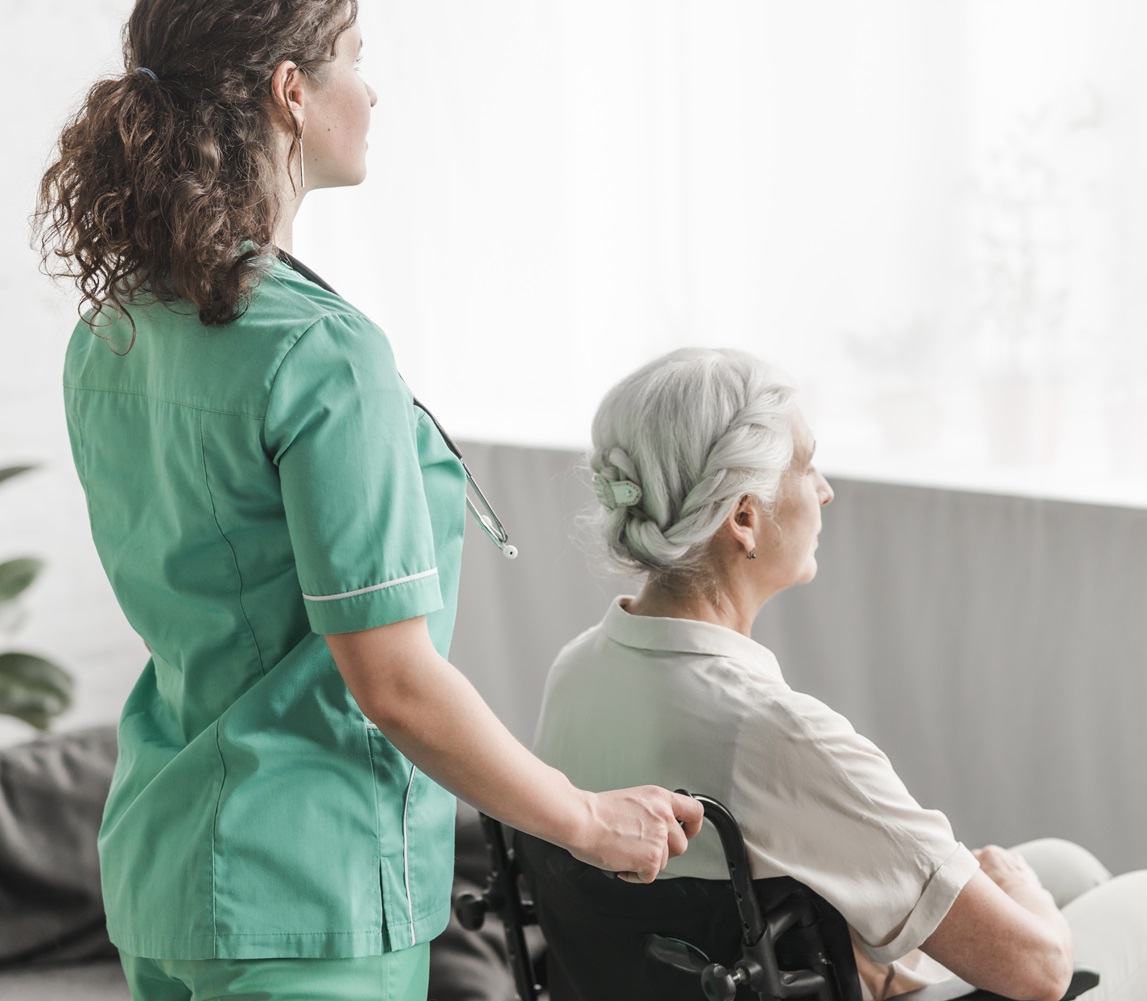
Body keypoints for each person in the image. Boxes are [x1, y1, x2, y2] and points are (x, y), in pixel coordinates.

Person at [34, 3, 702, 999]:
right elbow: (391, 679)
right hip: (310, 899)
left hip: (163, 874)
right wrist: (587, 819)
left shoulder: (112, 332)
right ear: (289, 93)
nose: (372, 89)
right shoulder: (322, 352)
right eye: (355, 60)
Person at [531, 347, 1147, 1001]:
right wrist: (1035, 907)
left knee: (1066, 864)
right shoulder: (776, 735)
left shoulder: (572, 675)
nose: (826, 491)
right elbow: (1043, 970)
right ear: (744, 517)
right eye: (807, 465)